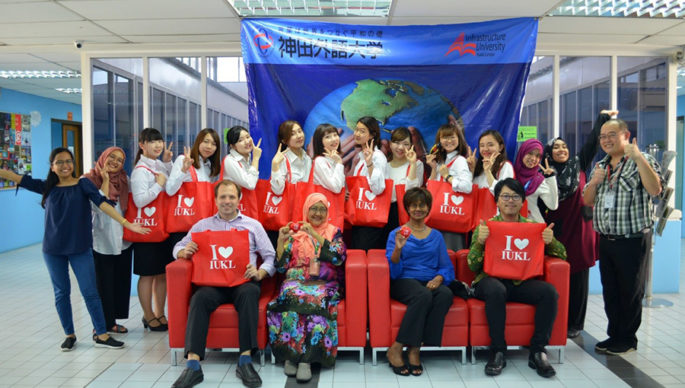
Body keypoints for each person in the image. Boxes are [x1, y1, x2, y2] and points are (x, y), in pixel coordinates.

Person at [0, 147, 149, 351]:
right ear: (52, 167)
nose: (65, 165)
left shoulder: (82, 184)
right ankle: (69, 335)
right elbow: (16, 177)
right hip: (53, 250)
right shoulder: (47, 187)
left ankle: (102, 334)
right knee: (61, 293)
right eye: (59, 162)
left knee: (90, 292)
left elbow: (102, 204)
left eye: (68, 161)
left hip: (80, 248)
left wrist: (127, 223)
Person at [171, 180, 276, 388]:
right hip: (213, 283)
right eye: (223, 197)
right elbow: (177, 246)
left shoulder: (253, 225)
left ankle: (245, 360)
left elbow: (270, 257)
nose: (227, 201)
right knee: (199, 298)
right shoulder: (202, 226)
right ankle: (193, 364)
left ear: (239, 199)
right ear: (216, 200)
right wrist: (183, 252)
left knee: (249, 294)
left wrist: (260, 272)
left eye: (231, 197)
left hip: (243, 282)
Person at [467, 178, 566, 378]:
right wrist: (480, 241)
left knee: (549, 292)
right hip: (489, 282)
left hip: (520, 282)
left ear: (522, 201)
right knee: (497, 290)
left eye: (515, 196)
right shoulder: (487, 226)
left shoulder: (533, 227)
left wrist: (551, 241)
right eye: (505, 196)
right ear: (497, 201)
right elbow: (472, 265)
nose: (510, 201)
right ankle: (497, 351)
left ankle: (537, 351)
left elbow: (563, 255)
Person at [583, 118, 662, 356]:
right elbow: (587, 201)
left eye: (612, 134)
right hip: (606, 239)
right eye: (603, 136)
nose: (606, 140)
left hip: (632, 239)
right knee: (611, 291)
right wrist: (594, 183)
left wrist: (638, 157)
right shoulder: (601, 165)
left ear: (626, 136)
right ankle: (614, 334)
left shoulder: (642, 160)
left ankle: (627, 339)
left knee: (630, 291)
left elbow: (655, 190)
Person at [543, 110, 615, 338]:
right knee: (555, 276)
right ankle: (556, 319)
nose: (562, 150)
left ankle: (575, 323)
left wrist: (602, 119)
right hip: (556, 232)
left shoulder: (579, 164)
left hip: (580, 231)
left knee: (579, 279)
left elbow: (593, 142)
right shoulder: (544, 172)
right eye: (556, 147)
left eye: (564, 146)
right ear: (549, 153)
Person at [268, 193, 346, 383]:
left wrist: (314, 234)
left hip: (324, 281)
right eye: (313, 208)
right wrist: (281, 240)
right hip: (295, 280)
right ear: (306, 210)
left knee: (315, 298)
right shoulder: (295, 234)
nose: (318, 213)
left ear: (327, 212)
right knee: (290, 294)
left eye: (322, 209)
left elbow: (338, 257)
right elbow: (280, 266)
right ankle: (291, 355)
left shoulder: (334, 232)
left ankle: (307, 360)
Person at [385, 187, 455, 377]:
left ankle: (416, 348)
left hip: (429, 280)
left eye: (422, 205)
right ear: (407, 208)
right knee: (423, 294)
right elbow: (393, 272)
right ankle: (398, 347)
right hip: (404, 281)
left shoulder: (437, 236)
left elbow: (446, 266)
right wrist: (398, 250)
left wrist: (439, 278)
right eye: (413, 205)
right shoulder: (396, 234)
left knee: (446, 294)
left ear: (428, 208)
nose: (418, 209)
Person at [84, 146, 133, 334]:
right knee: (103, 285)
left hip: (123, 238)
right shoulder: (88, 180)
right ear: (103, 157)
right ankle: (100, 325)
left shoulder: (124, 179)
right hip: (100, 238)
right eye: (111, 157)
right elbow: (99, 206)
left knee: (119, 283)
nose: (115, 162)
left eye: (120, 160)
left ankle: (111, 322)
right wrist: (104, 181)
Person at [130, 127, 174, 332]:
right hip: (146, 231)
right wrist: (158, 186)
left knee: (162, 274)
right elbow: (139, 201)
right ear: (142, 145)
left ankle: (160, 312)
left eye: (160, 141)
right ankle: (148, 315)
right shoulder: (140, 171)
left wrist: (166, 163)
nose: (158, 145)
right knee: (147, 275)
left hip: (161, 229)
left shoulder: (158, 165)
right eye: (152, 142)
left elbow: (171, 185)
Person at [426, 124, 473, 250]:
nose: (449, 141)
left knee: (451, 255)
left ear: (459, 139)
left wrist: (448, 177)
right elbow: (431, 187)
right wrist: (434, 169)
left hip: (452, 218)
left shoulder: (460, 160)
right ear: (439, 141)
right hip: (439, 216)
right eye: (445, 138)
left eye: (452, 137)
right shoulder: (441, 160)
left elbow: (467, 187)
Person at [349, 116, 389, 250]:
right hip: (359, 216)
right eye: (356, 130)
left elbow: (378, 189)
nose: (357, 134)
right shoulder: (361, 157)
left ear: (372, 134)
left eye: (362, 131)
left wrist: (370, 163)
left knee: (365, 257)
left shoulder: (377, 157)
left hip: (370, 219)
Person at [385, 127, 424, 234]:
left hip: (405, 213)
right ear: (390, 144)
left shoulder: (417, 164)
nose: (401, 147)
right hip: (383, 213)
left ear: (411, 146)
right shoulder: (384, 166)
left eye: (405, 144)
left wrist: (412, 164)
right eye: (396, 143)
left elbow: (412, 192)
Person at [513, 139, 558, 223]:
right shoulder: (511, 175)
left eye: (537, 156)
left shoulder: (538, 180)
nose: (533, 158)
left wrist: (551, 178)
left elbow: (553, 206)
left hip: (534, 226)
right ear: (522, 152)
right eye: (530, 153)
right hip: (511, 226)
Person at [270, 120, 312, 195]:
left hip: (305, 203)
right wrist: (275, 165)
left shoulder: (308, 158)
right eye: (293, 134)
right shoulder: (282, 159)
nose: (299, 136)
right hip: (289, 204)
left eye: (300, 131)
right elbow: (277, 191)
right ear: (284, 141)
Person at [222, 126, 261, 190]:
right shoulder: (230, 160)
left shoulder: (249, 157)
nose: (247, 141)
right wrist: (256, 159)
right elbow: (251, 184)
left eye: (248, 137)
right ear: (233, 146)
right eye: (240, 140)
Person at [311, 123, 345, 194]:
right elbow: (336, 188)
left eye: (335, 135)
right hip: (325, 204)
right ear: (320, 141)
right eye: (328, 137)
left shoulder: (334, 159)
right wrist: (339, 163)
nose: (333, 139)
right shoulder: (320, 161)